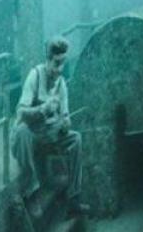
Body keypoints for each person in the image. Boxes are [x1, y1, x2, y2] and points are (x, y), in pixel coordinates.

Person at [14, 36, 90, 217]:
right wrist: (43, 109)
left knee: (75, 139)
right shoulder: (35, 76)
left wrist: (65, 122)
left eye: (63, 63)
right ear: (47, 60)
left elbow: (65, 115)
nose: (60, 69)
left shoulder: (61, 84)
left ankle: (73, 198)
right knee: (22, 130)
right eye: (56, 63)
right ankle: (31, 192)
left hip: (47, 134)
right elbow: (21, 112)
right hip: (29, 135)